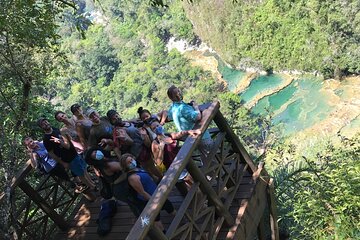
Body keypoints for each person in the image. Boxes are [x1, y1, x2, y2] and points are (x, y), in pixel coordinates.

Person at [120, 153, 176, 231]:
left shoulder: (138, 168)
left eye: (131, 160)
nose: (132, 162)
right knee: (156, 219)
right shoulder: (132, 177)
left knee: (169, 207)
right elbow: (142, 192)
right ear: (125, 166)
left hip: (157, 194)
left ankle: (183, 219)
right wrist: (153, 202)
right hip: (149, 200)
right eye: (129, 162)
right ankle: (163, 234)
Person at [38, 117, 96, 191]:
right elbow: (51, 153)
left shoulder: (55, 129)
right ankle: (92, 186)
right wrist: (62, 163)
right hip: (68, 159)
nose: (45, 124)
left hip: (74, 153)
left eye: (46, 122)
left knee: (84, 169)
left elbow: (66, 139)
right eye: (43, 124)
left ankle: (92, 183)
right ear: (41, 127)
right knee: (81, 174)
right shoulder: (46, 139)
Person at [106, 110, 162, 181]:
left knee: (148, 166)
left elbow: (135, 123)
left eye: (117, 116)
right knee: (150, 166)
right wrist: (125, 139)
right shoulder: (118, 130)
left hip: (143, 145)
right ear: (111, 121)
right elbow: (130, 142)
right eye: (114, 119)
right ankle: (162, 178)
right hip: (138, 151)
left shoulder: (125, 123)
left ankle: (157, 179)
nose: (117, 119)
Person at [167, 85, 213, 164]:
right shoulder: (182, 108)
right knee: (212, 157)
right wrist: (195, 107)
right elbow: (198, 116)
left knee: (206, 158)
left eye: (178, 91)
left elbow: (169, 116)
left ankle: (210, 174)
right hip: (201, 136)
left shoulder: (173, 107)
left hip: (190, 138)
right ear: (173, 98)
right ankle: (221, 173)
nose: (179, 93)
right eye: (177, 93)